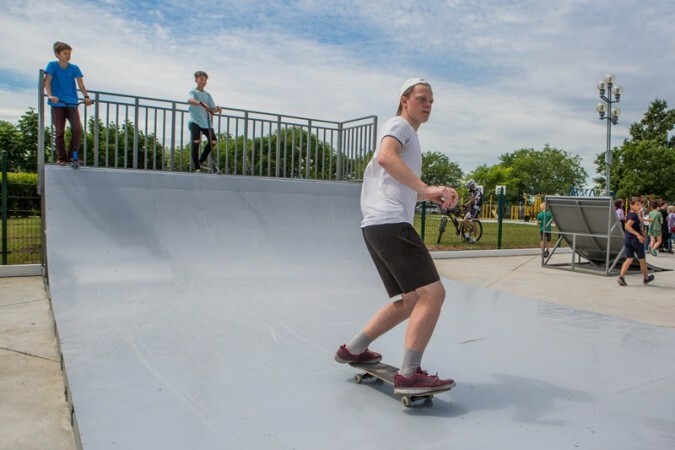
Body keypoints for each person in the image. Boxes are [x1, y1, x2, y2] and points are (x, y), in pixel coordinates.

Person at [334, 78, 459, 395]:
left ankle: (354, 349)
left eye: (431, 101)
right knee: (433, 295)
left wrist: (428, 195)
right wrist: (427, 187)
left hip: (375, 225)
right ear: (405, 100)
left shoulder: (407, 135)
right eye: (422, 98)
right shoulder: (400, 126)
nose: (428, 105)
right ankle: (410, 374)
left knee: (409, 301)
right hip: (391, 224)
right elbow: (386, 157)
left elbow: (395, 182)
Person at [44, 41, 93, 165]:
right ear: (57, 54)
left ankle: (73, 156)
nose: (68, 55)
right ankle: (61, 158)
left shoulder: (74, 68)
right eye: (65, 53)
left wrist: (86, 96)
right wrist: (50, 95)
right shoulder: (52, 65)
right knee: (60, 131)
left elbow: (81, 84)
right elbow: (47, 81)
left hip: (72, 103)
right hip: (58, 103)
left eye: (69, 53)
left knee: (77, 129)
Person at [187, 71, 222, 172]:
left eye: (205, 79)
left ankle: (201, 160)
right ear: (196, 80)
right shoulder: (193, 92)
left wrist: (217, 109)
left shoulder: (207, 95)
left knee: (213, 141)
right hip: (195, 121)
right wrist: (200, 103)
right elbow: (189, 100)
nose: (204, 81)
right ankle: (196, 167)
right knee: (196, 141)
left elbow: (212, 108)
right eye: (201, 79)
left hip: (206, 123)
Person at [617, 197, 654, 286]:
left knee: (629, 259)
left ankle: (621, 277)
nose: (639, 206)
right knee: (642, 260)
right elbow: (627, 226)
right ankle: (646, 278)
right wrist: (638, 235)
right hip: (635, 240)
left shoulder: (630, 213)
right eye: (637, 205)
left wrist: (643, 231)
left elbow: (636, 224)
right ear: (631, 205)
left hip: (628, 239)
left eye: (640, 204)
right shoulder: (633, 215)